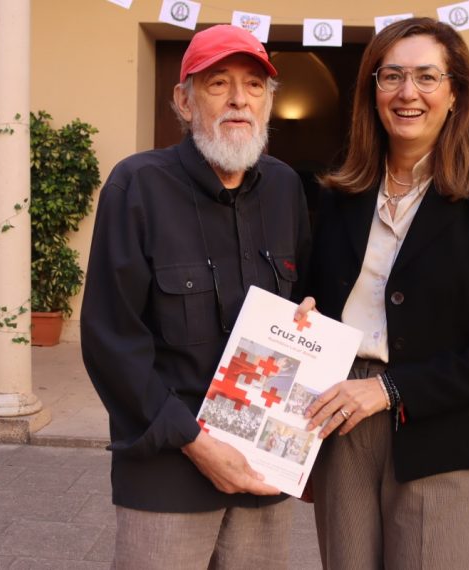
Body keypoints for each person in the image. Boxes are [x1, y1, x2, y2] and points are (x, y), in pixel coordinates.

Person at [300, 17, 469, 569]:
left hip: (445, 430)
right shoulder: (341, 192)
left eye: (427, 77)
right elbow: (316, 299)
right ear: (372, 92)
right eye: (392, 76)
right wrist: (304, 319)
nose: (408, 93)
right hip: (341, 420)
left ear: (455, 93)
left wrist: (388, 389)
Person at [80, 24, 310, 569]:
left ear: (268, 104)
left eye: (254, 86)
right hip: (165, 469)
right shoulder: (136, 186)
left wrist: (308, 317)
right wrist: (197, 443)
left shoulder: (286, 188)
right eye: (218, 84)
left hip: (262, 467)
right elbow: (111, 342)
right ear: (183, 101)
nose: (239, 99)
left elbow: (305, 299)